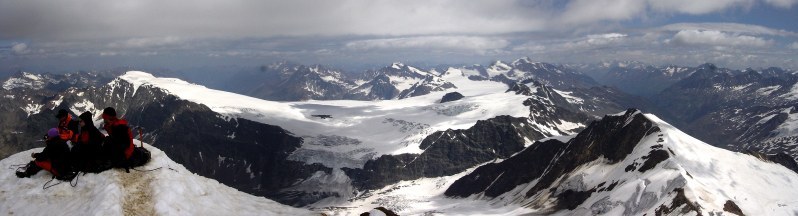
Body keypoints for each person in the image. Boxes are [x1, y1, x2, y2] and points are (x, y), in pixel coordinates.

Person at [101, 107, 135, 172]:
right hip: (123, 149)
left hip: (126, 154)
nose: (104, 120)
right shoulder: (112, 125)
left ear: (109, 118)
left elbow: (123, 145)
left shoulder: (119, 127)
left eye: (105, 118)